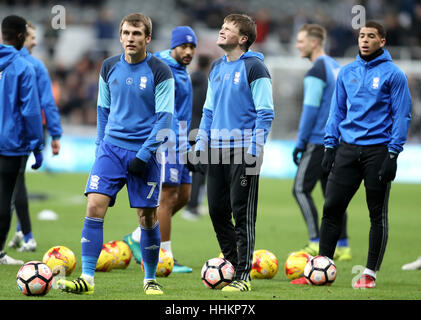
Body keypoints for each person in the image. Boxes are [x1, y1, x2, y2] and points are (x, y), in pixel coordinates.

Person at [56, 13, 174, 295]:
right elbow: (103, 111)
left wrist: (144, 155)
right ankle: (87, 278)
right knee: (94, 206)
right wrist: (100, 148)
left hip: (144, 152)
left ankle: (149, 279)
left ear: (147, 38)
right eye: (126, 33)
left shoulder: (160, 71)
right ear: (120, 36)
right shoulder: (108, 66)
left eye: (136, 34)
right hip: (110, 149)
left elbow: (165, 120)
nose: (130, 38)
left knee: (146, 217)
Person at [318, 21, 411, 289]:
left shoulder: (394, 75)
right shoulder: (347, 72)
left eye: (371, 36)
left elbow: (402, 115)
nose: (365, 40)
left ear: (382, 41)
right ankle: (322, 266)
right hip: (347, 149)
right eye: (362, 35)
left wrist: (393, 154)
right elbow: (336, 111)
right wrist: (329, 146)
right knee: (331, 208)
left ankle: (369, 273)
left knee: (377, 214)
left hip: (378, 152)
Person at [193, 14, 274, 292]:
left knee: (243, 213)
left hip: (244, 151)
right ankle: (231, 262)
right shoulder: (216, 67)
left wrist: (254, 151)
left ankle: (243, 276)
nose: (221, 31)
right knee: (216, 210)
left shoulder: (255, 69)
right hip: (216, 150)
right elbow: (208, 111)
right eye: (221, 27)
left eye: (227, 29)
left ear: (243, 39)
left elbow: (265, 114)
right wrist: (201, 146)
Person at [123, 26, 197, 273]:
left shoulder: (182, 70)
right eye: (183, 46)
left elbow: (182, 112)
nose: (188, 52)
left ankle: (137, 235)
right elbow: (165, 112)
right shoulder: (162, 68)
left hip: (181, 140)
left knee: (185, 195)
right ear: (173, 45)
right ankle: (165, 256)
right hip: (167, 141)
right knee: (166, 197)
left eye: (192, 47)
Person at [291, 24, 350, 261]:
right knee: (331, 194)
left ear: (314, 43)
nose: (297, 45)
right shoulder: (337, 67)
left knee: (300, 189)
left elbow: (310, 109)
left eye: (301, 40)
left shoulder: (317, 70)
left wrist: (300, 141)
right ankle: (343, 246)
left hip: (317, 139)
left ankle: (316, 241)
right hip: (337, 141)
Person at [7, 21, 62, 252]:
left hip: (12, 133)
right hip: (23, 132)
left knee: (14, 183)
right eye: (31, 37)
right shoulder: (33, 66)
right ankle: (23, 233)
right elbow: (45, 102)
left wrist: (55, 132)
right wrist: (55, 133)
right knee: (14, 183)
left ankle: (26, 234)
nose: (35, 41)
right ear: (21, 37)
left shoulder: (9, 63)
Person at [0, 15, 44, 265]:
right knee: (4, 198)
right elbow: (30, 111)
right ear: (20, 37)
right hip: (11, 145)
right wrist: (37, 146)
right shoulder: (23, 68)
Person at [182, 54, 212, 221]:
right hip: (200, 130)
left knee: (193, 168)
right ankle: (192, 206)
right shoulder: (206, 84)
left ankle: (191, 204)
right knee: (200, 170)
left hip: (187, 128)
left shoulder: (188, 81)